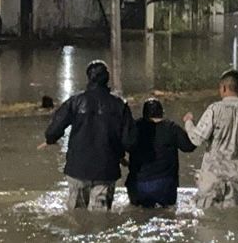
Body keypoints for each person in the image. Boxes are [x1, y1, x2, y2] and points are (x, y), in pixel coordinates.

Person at [38, 59, 135, 211]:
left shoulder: (75, 102)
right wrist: (121, 155)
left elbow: (54, 129)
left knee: (77, 214)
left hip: (77, 168)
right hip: (106, 169)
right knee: (100, 217)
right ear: (107, 78)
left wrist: (50, 139)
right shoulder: (119, 105)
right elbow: (129, 141)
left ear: (89, 78)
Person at [182, 69, 238, 209]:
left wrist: (188, 123)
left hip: (211, 179)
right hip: (235, 181)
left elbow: (196, 139)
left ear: (224, 88)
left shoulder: (214, 109)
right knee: (234, 219)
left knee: (208, 220)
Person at [125, 98, 197, 208]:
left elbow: (123, 145)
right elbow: (189, 146)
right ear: (161, 112)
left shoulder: (135, 128)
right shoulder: (171, 128)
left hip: (138, 185)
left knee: (139, 211)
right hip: (165, 185)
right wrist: (189, 123)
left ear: (144, 113)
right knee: (167, 212)